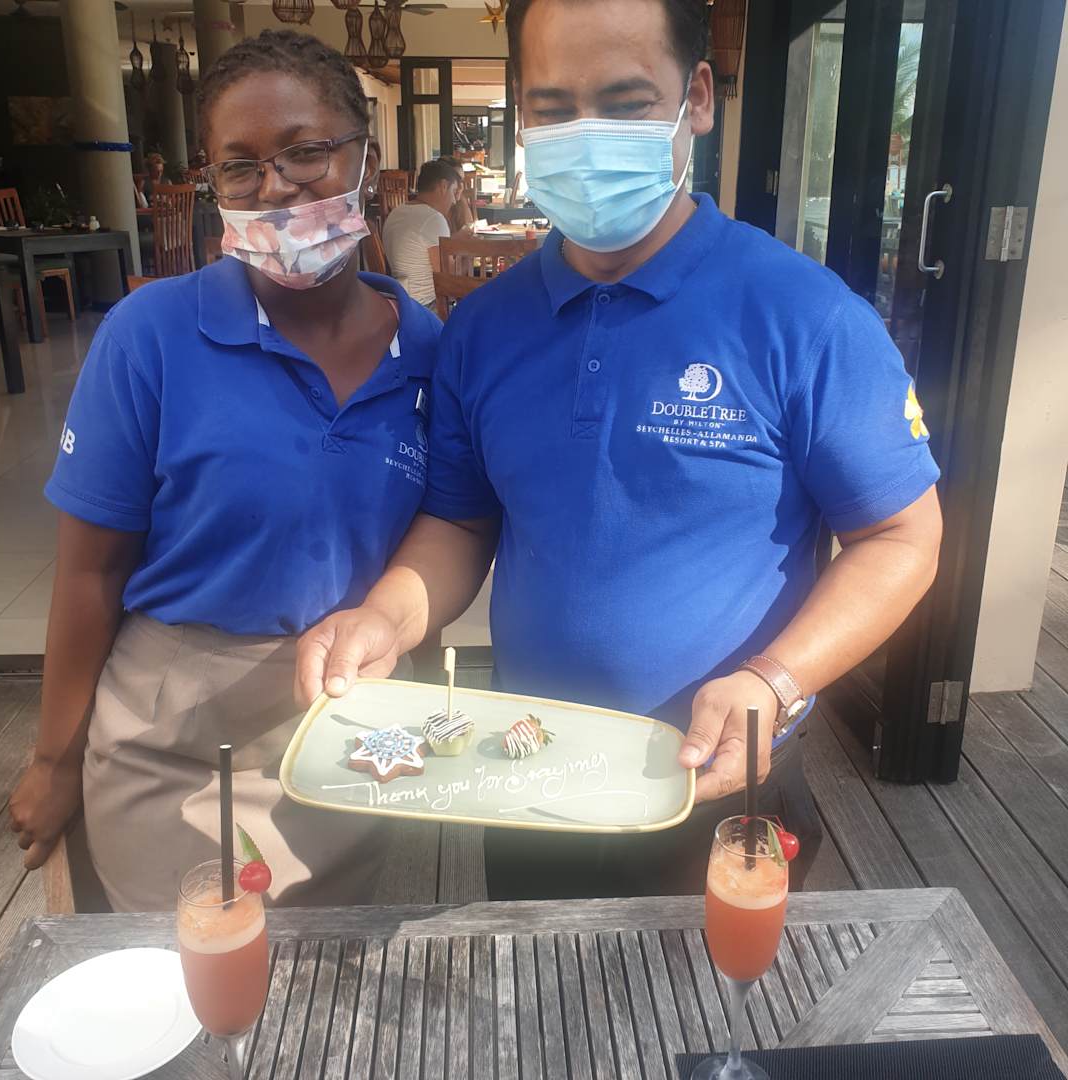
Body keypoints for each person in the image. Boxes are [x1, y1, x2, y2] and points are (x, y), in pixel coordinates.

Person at [296, 0, 943, 900]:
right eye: (555, 108)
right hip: (528, 768)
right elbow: (460, 520)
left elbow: (902, 537)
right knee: (541, 985)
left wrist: (776, 679)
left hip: (718, 777)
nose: (589, 135)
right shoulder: (484, 328)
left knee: (724, 993)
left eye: (627, 102)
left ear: (698, 98)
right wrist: (386, 617)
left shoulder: (806, 318)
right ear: (523, 116)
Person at [7, 30, 442, 912]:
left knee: (326, 981)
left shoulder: (432, 354)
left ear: (366, 160)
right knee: (183, 971)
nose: (275, 186)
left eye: (306, 152)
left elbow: (443, 538)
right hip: (172, 737)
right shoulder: (153, 337)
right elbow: (90, 573)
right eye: (239, 168)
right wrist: (54, 759)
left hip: (347, 732)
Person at [382, 158, 463, 309]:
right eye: (453, 192)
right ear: (443, 186)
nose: (454, 201)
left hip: (399, 301)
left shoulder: (397, 212)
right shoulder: (433, 219)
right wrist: (466, 251)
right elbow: (449, 277)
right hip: (427, 307)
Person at [438, 155, 476, 233]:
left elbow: (469, 231)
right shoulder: (433, 211)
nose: (461, 187)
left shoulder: (461, 204)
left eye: (462, 181)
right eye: (456, 181)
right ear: (443, 184)